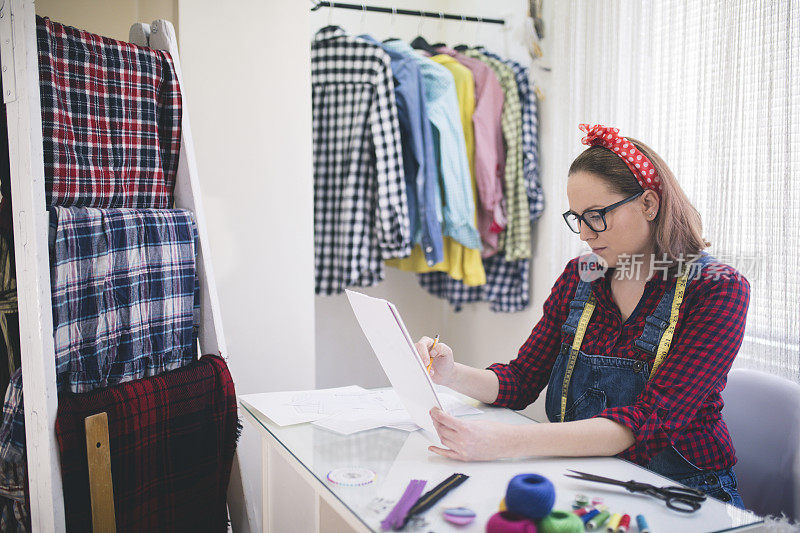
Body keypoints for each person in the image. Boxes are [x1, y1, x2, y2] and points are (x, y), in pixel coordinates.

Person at [415, 124, 750, 508]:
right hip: (593, 479)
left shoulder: (717, 289)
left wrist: (504, 442)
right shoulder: (581, 276)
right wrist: (451, 374)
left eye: (597, 215)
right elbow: (522, 379)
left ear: (649, 204)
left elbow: (646, 421)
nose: (586, 234)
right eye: (577, 218)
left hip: (683, 493)